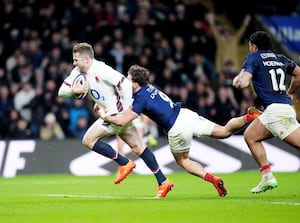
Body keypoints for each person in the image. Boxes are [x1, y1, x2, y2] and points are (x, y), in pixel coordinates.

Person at [98, 64, 262, 197]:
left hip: (176, 127)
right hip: (186, 114)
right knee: (224, 131)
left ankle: (213, 179)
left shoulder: (140, 97)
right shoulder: (149, 88)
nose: (126, 81)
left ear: (135, 84)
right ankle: (248, 117)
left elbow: (124, 120)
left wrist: (105, 116)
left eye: (128, 78)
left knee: (182, 160)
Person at [58, 42, 173, 198]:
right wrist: (73, 90)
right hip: (113, 111)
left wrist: (125, 110)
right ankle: (163, 181)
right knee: (138, 146)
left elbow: (124, 83)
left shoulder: (100, 69)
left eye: (76, 59)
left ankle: (124, 162)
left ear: (86, 59)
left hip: (115, 112)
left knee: (88, 140)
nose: (74, 63)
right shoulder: (78, 71)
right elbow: (61, 92)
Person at [233, 30, 300, 193]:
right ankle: (267, 177)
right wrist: (290, 92)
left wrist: (238, 78)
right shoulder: (280, 58)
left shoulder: (253, 58)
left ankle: (268, 177)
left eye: (250, 45)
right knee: (251, 136)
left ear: (254, 47)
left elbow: (243, 83)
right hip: (278, 110)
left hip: (276, 112)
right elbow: (299, 73)